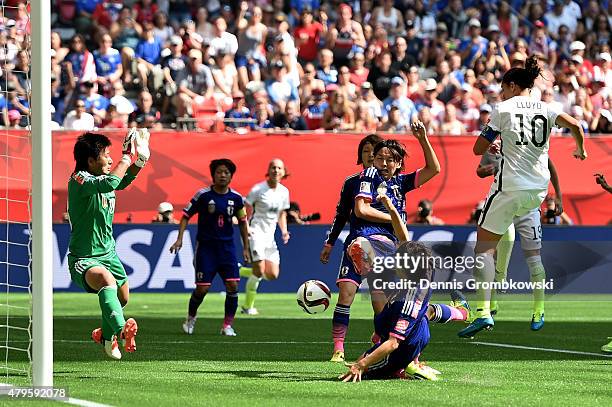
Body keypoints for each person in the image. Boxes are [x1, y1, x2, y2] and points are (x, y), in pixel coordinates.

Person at [459, 56, 587, 339]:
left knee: (483, 248)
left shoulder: (503, 108)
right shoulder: (548, 108)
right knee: (530, 253)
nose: (501, 93)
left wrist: (492, 140)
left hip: (510, 187)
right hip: (537, 192)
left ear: (513, 85)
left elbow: (477, 149)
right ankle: (535, 309)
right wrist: (581, 150)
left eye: (503, 88)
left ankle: (483, 313)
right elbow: (577, 126)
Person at [338, 192, 468, 381]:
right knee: (425, 312)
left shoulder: (407, 301)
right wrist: (391, 210)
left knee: (359, 368)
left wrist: (361, 365)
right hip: (415, 325)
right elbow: (404, 238)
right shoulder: (424, 268)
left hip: (399, 351)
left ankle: (404, 366)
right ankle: (463, 313)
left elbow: (392, 344)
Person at [67, 129, 150, 360]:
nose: (111, 159)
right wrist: (126, 156)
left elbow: (119, 182)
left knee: (122, 298)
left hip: (109, 254)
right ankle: (122, 331)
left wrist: (140, 161)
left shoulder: (103, 180)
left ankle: (104, 334)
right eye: (106, 155)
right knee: (105, 280)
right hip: (84, 258)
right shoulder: (79, 180)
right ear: (91, 160)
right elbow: (112, 181)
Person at [476, 139, 564, 330]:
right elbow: (480, 170)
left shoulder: (532, 142)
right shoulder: (497, 145)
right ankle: (490, 303)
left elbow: (551, 168)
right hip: (504, 203)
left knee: (534, 258)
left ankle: (539, 309)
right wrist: (496, 166)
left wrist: (558, 195)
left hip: (528, 207)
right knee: (498, 254)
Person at [320, 134, 383, 363]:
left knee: (380, 302)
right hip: (356, 245)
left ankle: (379, 338)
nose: (371, 155)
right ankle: (338, 348)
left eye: (375, 150)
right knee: (345, 294)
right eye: (366, 150)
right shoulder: (351, 182)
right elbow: (341, 215)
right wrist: (330, 242)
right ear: (360, 155)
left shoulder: (389, 182)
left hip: (382, 248)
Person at [170, 159, 250, 337]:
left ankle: (227, 325)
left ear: (231, 176)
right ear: (213, 175)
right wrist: (179, 239)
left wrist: (246, 248)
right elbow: (185, 216)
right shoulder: (203, 195)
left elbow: (243, 223)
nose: (223, 175)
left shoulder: (236, 199)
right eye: (219, 172)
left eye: (226, 172)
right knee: (202, 289)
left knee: (232, 285)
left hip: (227, 250)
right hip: (206, 249)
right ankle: (190, 318)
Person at [239, 159, 291, 315]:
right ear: (268, 170)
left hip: (270, 237)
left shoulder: (284, 192)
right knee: (259, 270)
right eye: (273, 167)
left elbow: (282, 213)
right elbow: (245, 208)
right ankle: (248, 307)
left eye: (279, 168)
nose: (276, 170)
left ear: (283, 172)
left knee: (272, 274)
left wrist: (284, 230)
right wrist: (246, 227)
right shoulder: (258, 189)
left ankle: (240, 272)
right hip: (255, 233)